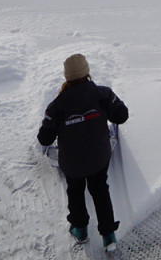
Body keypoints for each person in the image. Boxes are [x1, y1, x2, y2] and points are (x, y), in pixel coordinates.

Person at [36, 53, 130, 249]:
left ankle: (80, 230)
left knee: (75, 191)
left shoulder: (57, 106)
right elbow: (121, 116)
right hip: (99, 157)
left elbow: (45, 138)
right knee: (100, 190)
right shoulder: (103, 94)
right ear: (87, 72)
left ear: (67, 77)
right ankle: (108, 236)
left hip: (72, 163)